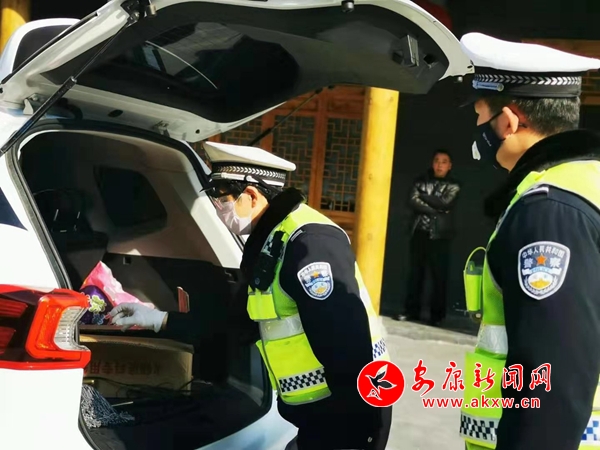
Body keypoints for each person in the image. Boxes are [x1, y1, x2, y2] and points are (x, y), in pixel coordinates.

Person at [108, 141, 392, 450]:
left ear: (252, 195)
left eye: (223, 200)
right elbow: (237, 325)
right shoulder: (271, 241)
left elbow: (346, 343)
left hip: (347, 411)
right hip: (317, 413)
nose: (218, 209)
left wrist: (356, 431)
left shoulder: (309, 243)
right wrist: (159, 319)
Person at [457, 32, 600, 450]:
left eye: (480, 115)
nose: (477, 128)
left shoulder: (549, 210)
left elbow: (551, 374)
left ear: (508, 121)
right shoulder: (584, 183)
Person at [397, 149, 460, 326]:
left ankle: (436, 316)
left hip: (440, 235)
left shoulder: (454, 185)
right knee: (415, 274)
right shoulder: (421, 181)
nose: (440, 165)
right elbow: (412, 200)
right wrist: (435, 210)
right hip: (419, 232)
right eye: (437, 161)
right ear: (432, 163)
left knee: (439, 276)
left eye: (444, 162)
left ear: (449, 166)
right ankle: (411, 311)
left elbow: (445, 203)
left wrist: (424, 198)